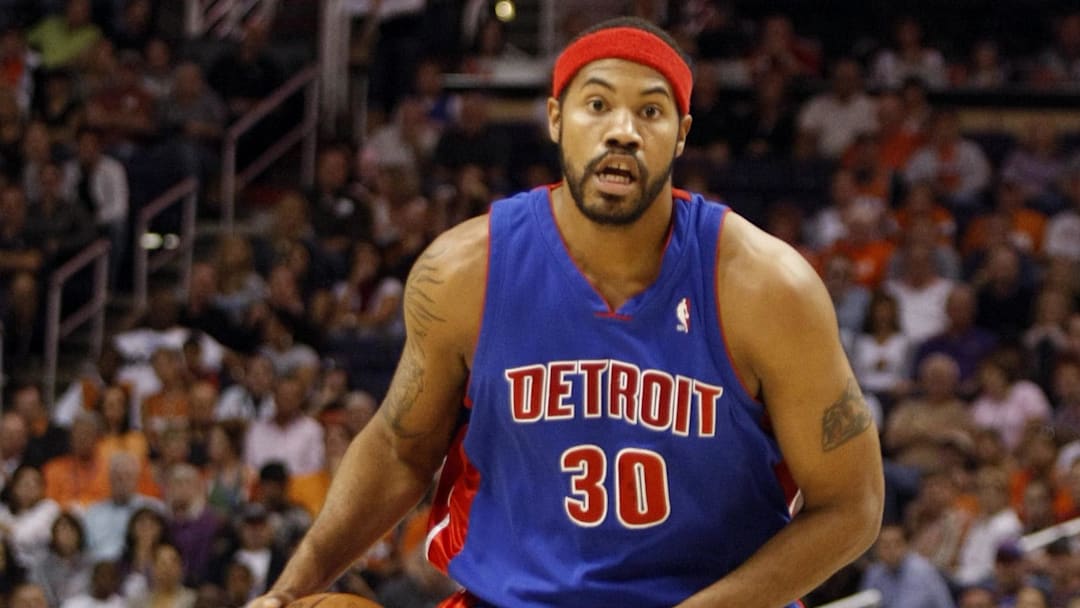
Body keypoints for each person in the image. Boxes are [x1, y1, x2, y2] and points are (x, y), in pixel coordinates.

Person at [251, 17, 884, 608]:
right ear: (556, 119)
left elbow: (851, 504)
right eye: (598, 104)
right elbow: (398, 449)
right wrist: (287, 591)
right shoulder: (464, 271)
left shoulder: (768, 288)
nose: (623, 130)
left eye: (652, 111)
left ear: (682, 134)